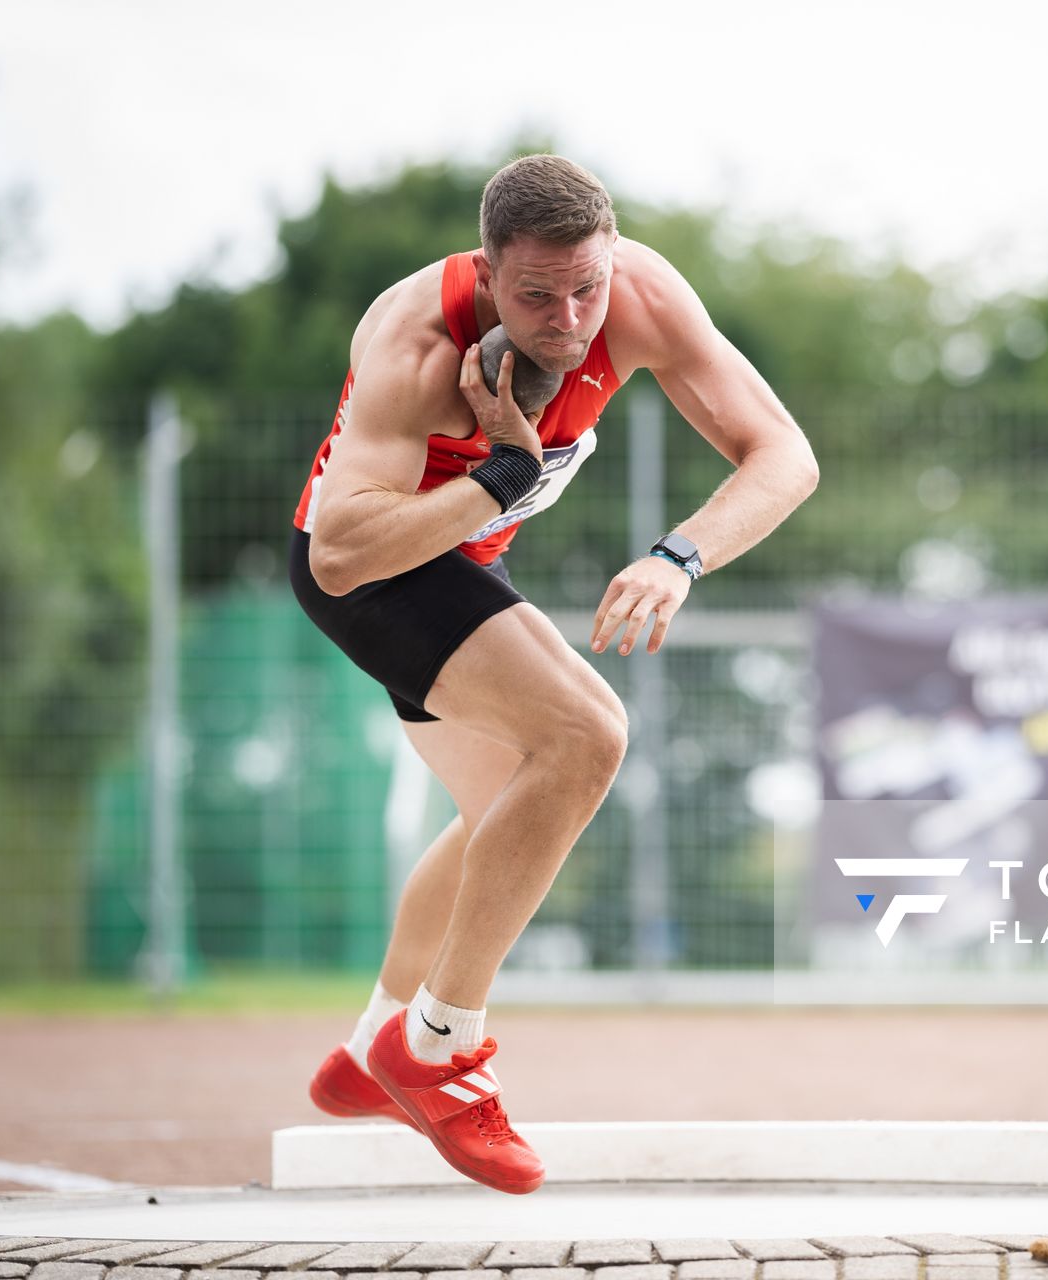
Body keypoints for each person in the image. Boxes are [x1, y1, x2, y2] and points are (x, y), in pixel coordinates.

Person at [285, 155, 819, 1194]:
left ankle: (367, 1050)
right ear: (487, 273)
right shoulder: (417, 339)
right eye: (535, 295)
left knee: (505, 812)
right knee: (587, 734)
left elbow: (783, 455)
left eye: (588, 287)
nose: (569, 319)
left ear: (612, 257)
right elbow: (339, 554)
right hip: (378, 569)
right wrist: (502, 477)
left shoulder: (643, 295)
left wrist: (679, 556)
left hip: (471, 555)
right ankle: (438, 1044)